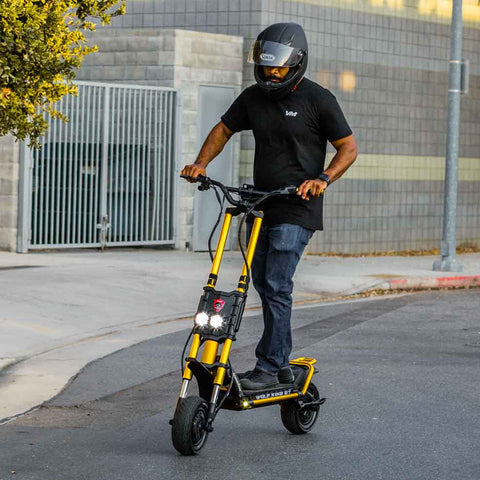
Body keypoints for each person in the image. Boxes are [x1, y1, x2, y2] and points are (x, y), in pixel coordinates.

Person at [181, 22, 357, 390]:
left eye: (278, 67)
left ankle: (270, 365)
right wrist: (201, 164)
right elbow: (223, 129)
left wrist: (322, 179)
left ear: (296, 63)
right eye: (266, 66)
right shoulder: (252, 97)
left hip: (297, 206)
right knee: (260, 282)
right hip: (261, 205)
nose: (271, 72)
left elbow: (348, 148)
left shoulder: (318, 99)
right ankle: (279, 363)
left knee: (276, 284)